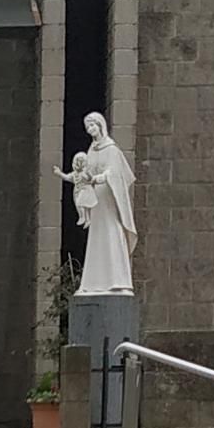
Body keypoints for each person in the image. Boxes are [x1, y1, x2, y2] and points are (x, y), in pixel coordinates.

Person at [68, 112, 136, 297]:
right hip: (96, 199)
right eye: (87, 127)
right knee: (96, 236)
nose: (91, 130)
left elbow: (114, 173)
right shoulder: (92, 150)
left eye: (92, 126)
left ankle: (118, 280)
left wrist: (98, 178)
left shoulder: (112, 149)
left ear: (100, 125)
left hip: (109, 197)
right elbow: (86, 171)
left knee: (112, 232)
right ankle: (92, 282)